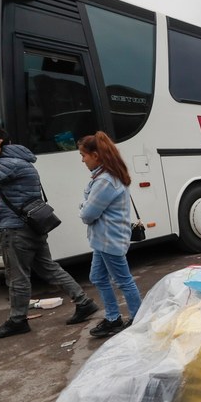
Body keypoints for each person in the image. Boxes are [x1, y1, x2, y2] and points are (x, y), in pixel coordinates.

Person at [0, 127, 99, 339]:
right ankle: (84, 302)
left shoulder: (8, 163)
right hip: (30, 225)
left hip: (16, 228)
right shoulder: (20, 159)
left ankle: (17, 320)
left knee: (17, 276)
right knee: (48, 268)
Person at [78, 132, 142, 338]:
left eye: (84, 155)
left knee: (123, 280)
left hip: (109, 239)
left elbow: (88, 214)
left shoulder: (105, 181)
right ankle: (113, 319)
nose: (82, 160)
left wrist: (82, 206)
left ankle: (138, 318)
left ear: (95, 155)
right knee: (97, 277)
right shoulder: (105, 177)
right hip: (103, 239)